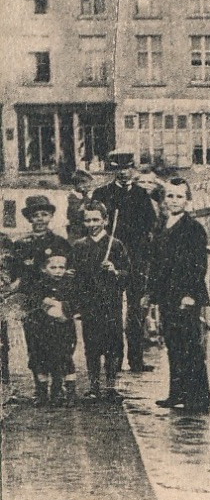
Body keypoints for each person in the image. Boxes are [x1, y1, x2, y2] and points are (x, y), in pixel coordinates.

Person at [147, 178, 210, 412]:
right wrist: (152, 293)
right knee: (173, 344)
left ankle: (199, 397)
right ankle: (177, 393)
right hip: (167, 295)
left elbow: (197, 265)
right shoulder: (163, 225)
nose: (174, 201)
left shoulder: (193, 228)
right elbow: (157, 263)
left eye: (179, 196)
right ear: (165, 200)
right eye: (170, 196)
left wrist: (190, 294)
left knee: (190, 345)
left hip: (185, 296)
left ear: (188, 200)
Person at [94, 153, 159, 373]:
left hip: (136, 262)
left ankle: (136, 360)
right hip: (111, 260)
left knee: (135, 312)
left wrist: (147, 258)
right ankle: (113, 360)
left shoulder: (142, 194)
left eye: (127, 168)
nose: (122, 172)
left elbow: (151, 226)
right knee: (109, 311)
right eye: (117, 168)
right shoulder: (102, 193)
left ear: (133, 169)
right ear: (113, 170)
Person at [70, 201, 131, 400]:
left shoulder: (116, 244)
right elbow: (75, 276)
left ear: (105, 220)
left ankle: (112, 386)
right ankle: (94, 386)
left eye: (96, 219)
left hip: (111, 303)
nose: (92, 223)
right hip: (90, 305)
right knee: (92, 346)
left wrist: (114, 271)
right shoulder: (79, 246)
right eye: (88, 220)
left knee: (114, 345)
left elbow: (128, 275)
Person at [24, 252, 78, 405]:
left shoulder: (70, 285)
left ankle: (69, 393)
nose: (58, 271)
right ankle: (42, 394)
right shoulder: (39, 285)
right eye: (53, 267)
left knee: (65, 358)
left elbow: (76, 303)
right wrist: (45, 304)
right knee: (41, 359)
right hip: (43, 329)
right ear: (44, 269)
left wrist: (63, 308)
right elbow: (33, 302)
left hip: (64, 328)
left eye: (61, 267)